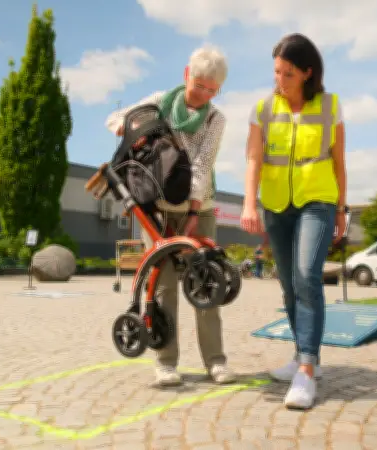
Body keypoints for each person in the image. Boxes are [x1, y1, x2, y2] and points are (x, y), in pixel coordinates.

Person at [103, 45, 236, 387]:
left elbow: (203, 166)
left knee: (205, 284)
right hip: (158, 209)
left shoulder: (215, 119)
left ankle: (216, 361)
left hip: (198, 207)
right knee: (162, 286)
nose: (203, 94)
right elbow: (116, 118)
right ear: (186, 75)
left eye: (212, 89)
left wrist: (192, 213)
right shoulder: (161, 101)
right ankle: (165, 362)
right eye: (200, 85)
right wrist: (127, 129)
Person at [240, 33, 348, 410]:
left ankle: (306, 370)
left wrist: (341, 208)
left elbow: (339, 162)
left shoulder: (330, 106)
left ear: (307, 73)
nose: (279, 81)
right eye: (275, 73)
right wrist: (249, 205)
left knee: (306, 275)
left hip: (317, 200)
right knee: (287, 284)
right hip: (275, 204)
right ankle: (306, 353)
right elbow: (253, 159)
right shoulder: (262, 108)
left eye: (287, 74)